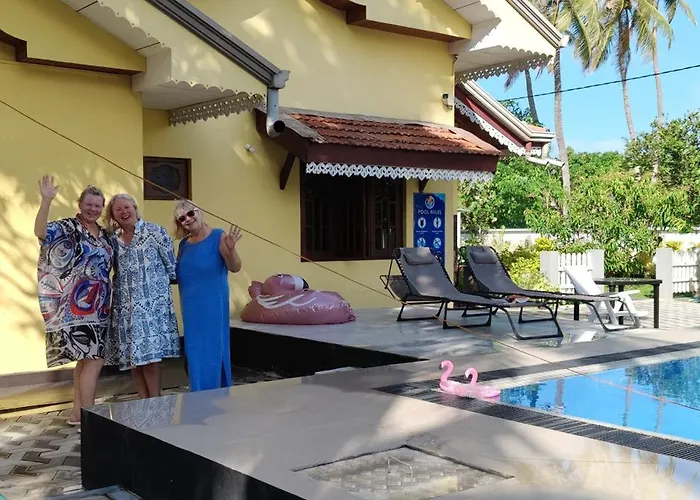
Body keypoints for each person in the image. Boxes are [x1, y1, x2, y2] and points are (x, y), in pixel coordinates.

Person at [34, 176, 113, 425]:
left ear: (102, 208)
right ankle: (89, 419)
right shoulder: (68, 227)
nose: (93, 209)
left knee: (85, 361)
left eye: (97, 205)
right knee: (94, 360)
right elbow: (41, 233)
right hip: (76, 306)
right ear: (80, 204)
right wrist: (46, 200)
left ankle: (77, 415)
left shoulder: (104, 234)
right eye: (89, 204)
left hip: (99, 307)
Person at [104, 193, 180, 398]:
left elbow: (172, 267)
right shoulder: (113, 240)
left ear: (135, 209)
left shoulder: (155, 231)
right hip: (125, 306)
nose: (123, 212)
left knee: (151, 358)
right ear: (113, 215)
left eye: (127, 207)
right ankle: (143, 400)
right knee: (134, 358)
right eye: (118, 209)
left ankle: (155, 402)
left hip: (151, 306)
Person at [174, 200, 242, 392]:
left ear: (199, 212)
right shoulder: (184, 244)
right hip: (191, 309)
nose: (188, 219)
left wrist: (231, 249)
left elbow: (235, 267)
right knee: (195, 352)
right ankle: (198, 393)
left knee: (213, 348)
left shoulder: (218, 236)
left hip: (212, 306)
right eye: (182, 218)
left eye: (190, 213)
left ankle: (214, 395)